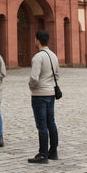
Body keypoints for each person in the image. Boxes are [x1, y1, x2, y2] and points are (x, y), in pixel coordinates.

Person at [28, 30, 59, 164]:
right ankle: (53, 152)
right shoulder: (53, 56)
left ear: (37, 40)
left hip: (39, 94)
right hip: (51, 93)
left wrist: (32, 86)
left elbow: (34, 78)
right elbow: (57, 75)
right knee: (51, 123)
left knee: (41, 125)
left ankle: (42, 154)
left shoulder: (38, 57)